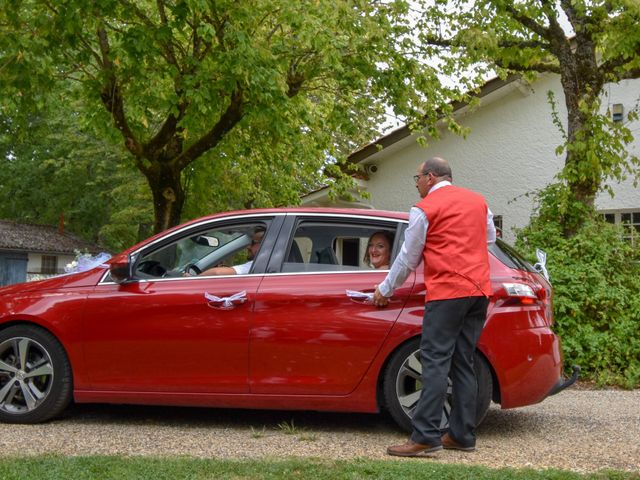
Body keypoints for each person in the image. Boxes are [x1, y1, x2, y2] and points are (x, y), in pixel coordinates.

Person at [373, 156, 496, 457]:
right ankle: (462, 435)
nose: (416, 184)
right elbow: (490, 239)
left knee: (434, 362)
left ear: (430, 177)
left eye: (416, 178)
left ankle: (426, 436)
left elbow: (407, 257)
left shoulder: (424, 209)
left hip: (447, 293)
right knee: (462, 361)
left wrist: (385, 289)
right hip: (479, 292)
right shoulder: (479, 202)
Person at [199, 226, 265, 276]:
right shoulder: (265, 265)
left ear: (264, 245)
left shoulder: (260, 265)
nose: (248, 247)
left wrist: (194, 278)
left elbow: (217, 273)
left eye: (253, 242)